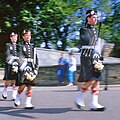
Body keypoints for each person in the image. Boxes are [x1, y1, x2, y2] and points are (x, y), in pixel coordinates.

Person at [75, 10, 105, 111]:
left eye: (96, 17)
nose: (95, 19)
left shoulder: (96, 31)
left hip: (95, 56)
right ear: (88, 18)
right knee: (91, 79)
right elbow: (87, 41)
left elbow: (97, 45)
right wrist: (97, 41)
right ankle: (79, 96)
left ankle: (94, 103)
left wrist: (99, 53)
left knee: (97, 80)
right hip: (87, 56)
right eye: (93, 17)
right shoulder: (83, 29)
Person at [14, 29, 38, 109]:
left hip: (31, 67)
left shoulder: (33, 47)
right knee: (23, 85)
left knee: (30, 85)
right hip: (23, 67)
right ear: (23, 37)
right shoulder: (20, 46)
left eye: (29, 35)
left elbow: (35, 58)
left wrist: (36, 68)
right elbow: (20, 57)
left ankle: (28, 103)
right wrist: (22, 67)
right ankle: (18, 95)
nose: (28, 37)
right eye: (27, 35)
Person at [2, 32, 19, 101]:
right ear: (11, 38)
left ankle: (14, 94)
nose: (14, 38)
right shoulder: (8, 45)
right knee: (8, 79)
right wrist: (12, 59)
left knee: (16, 80)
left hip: (17, 64)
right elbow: (7, 54)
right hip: (10, 64)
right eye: (13, 37)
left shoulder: (19, 46)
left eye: (15, 37)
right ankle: (5, 90)